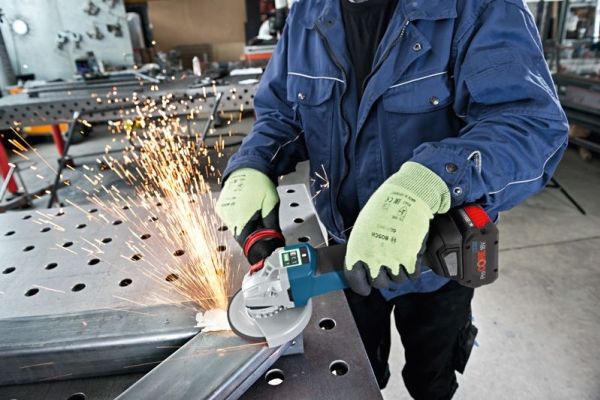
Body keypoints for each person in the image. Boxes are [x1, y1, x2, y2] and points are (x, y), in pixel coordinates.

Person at [216, 0, 569, 398]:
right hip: (345, 250)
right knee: (358, 376)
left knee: (431, 381)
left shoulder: (480, 6)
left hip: (437, 262)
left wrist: (425, 185)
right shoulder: (306, 12)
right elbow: (283, 114)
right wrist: (253, 163)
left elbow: (530, 125)